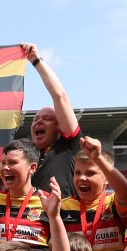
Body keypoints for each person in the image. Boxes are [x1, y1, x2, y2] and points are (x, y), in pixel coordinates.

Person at [60, 138, 127, 251]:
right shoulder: (62, 207)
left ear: (106, 178)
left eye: (90, 173)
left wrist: (98, 158)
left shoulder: (113, 203)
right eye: (78, 173)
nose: (82, 178)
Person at [22, 42, 82, 198]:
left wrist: (36, 60)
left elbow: (60, 96)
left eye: (47, 118)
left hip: (62, 220)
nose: (38, 121)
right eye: (35, 119)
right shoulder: (23, 157)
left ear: (59, 127)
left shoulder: (67, 148)